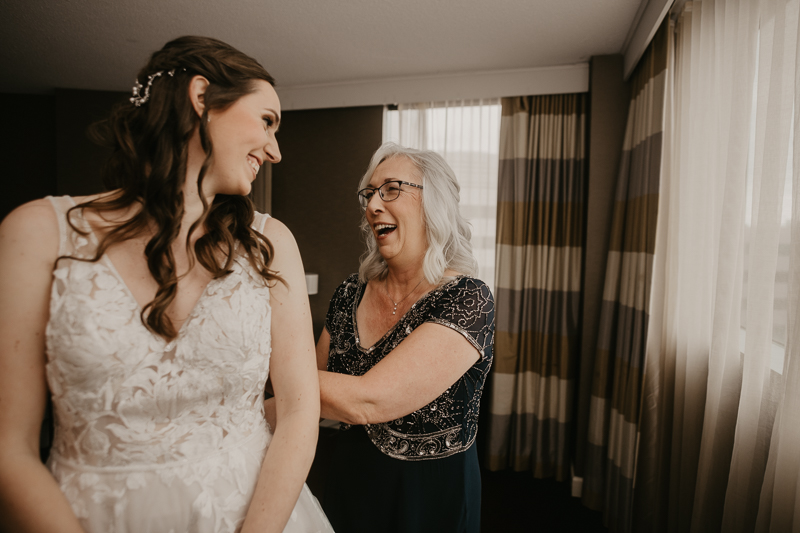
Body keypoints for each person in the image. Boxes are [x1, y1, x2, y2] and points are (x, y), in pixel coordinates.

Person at [0, 36, 333, 533]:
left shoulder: (269, 242)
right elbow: (9, 446)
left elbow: (300, 412)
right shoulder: (36, 232)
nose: (275, 150)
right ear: (202, 98)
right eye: (267, 120)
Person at [317, 143, 495, 533]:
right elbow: (312, 398)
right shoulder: (349, 292)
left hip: (431, 500)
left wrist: (253, 364)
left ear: (435, 203)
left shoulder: (468, 298)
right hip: (350, 484)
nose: (373, 205)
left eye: (391, 189)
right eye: (369, 193)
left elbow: (369, 399)